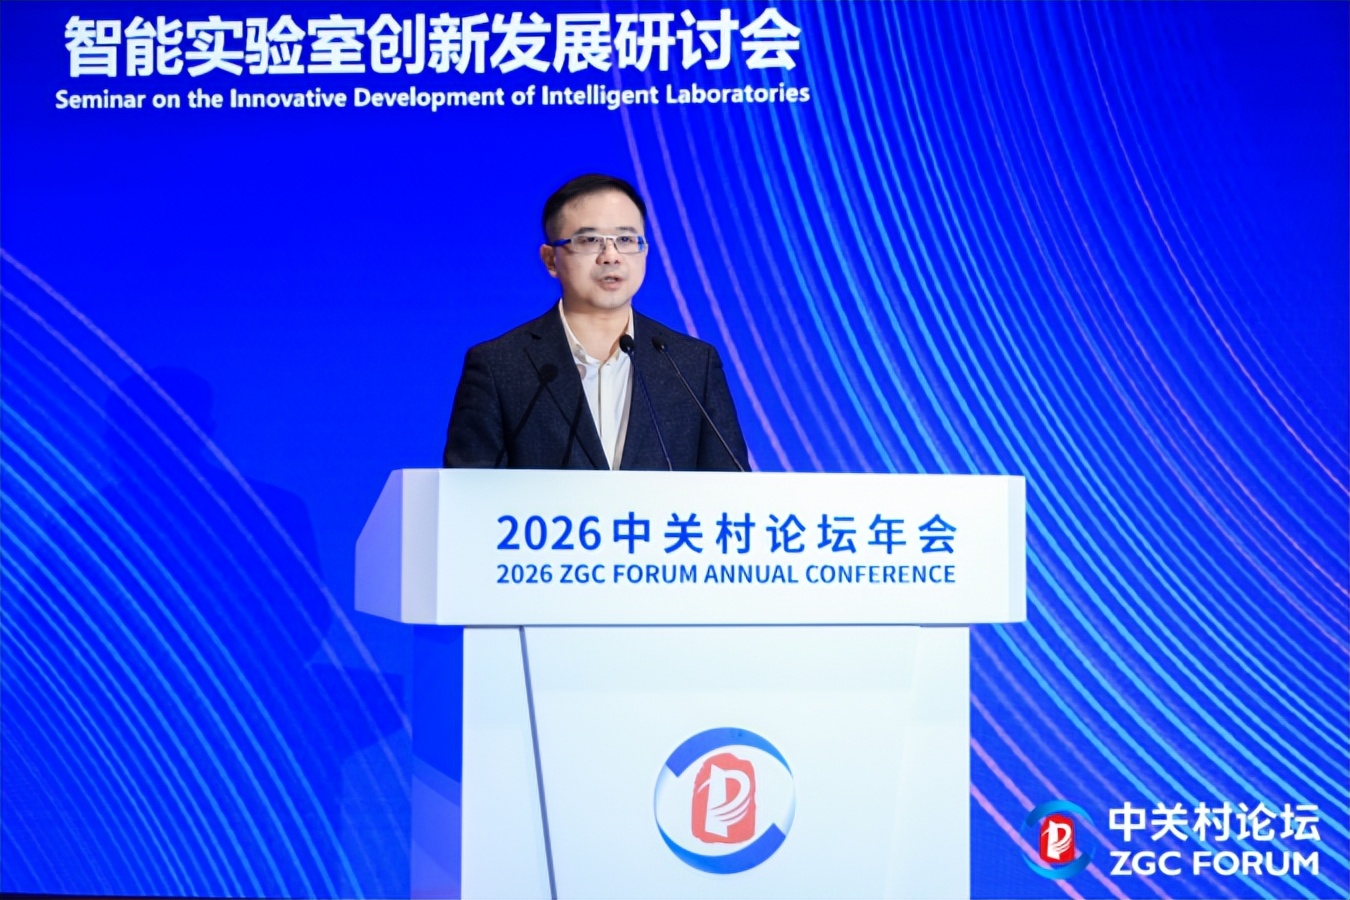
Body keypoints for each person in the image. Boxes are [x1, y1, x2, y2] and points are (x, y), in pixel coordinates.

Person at [443, 173, 749, 471]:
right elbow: (467, 492)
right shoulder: (499, 366)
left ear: (645, 252)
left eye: (626, 239)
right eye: (590, 240)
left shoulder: (691, 365)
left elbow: (731, 488)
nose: (611, 256)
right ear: (550, 259)